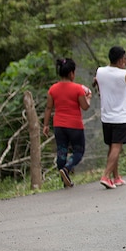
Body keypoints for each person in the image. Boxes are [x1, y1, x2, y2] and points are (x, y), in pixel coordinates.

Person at [42, 58, 91, 188]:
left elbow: (48, 108)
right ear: (71, 73)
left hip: (59, 125)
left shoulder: (53, 89)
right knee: (78, 151)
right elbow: (85, 107)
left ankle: (65, 180)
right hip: (74, 125)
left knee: (61, 151)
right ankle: (67, 169)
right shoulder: (78, 89)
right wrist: (88, 98)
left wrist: (45, 125)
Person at [94, 46, 126, 189]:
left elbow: (96, 82)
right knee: (117, 147)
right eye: (125, 58)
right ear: (120, 60)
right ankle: (105, 176)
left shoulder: (100, 71)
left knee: (112, 147)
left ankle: (116, 177)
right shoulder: (124, 74)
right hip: (119, 117)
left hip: (106, 116)